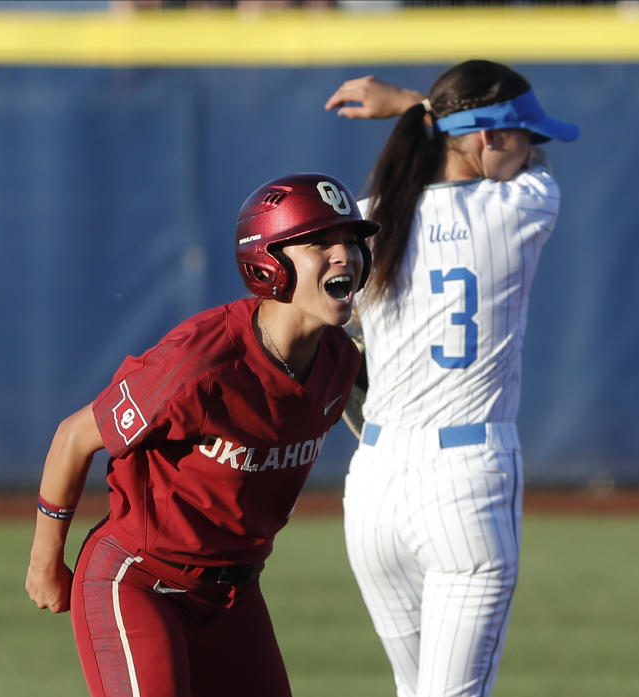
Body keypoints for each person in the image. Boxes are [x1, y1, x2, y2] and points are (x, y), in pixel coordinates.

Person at [24, 172, 379, 697]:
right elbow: (74, 437)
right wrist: (45, 562)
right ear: (268, 262)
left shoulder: (339, 361)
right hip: (138, 581)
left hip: (236, 596)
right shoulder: (201, 361)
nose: (344, 254)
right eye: (320, 242)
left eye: (350, 241)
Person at [324, 60, 579, 697]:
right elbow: (526, 170)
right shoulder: (525, 204)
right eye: (525, 136)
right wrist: (415, 104)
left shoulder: (368, 220)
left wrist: (428, 114)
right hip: (467, 484)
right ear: (490, 137)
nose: (533, 152)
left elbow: (329, 323)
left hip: (375, 486)